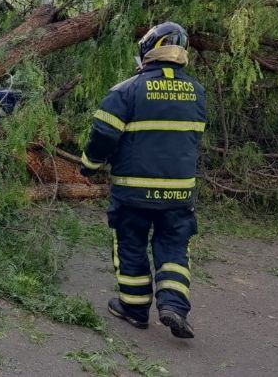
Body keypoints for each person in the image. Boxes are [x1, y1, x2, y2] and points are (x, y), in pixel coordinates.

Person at [79, 22, 206, 339]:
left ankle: (134, 310)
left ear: (149, 49)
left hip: (133, 192)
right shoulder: (197, 93)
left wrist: (88, 166)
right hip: (179, 195)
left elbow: (103, 135)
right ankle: (174, 305)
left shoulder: (126, 90)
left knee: (131, 244)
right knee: (174, 248)